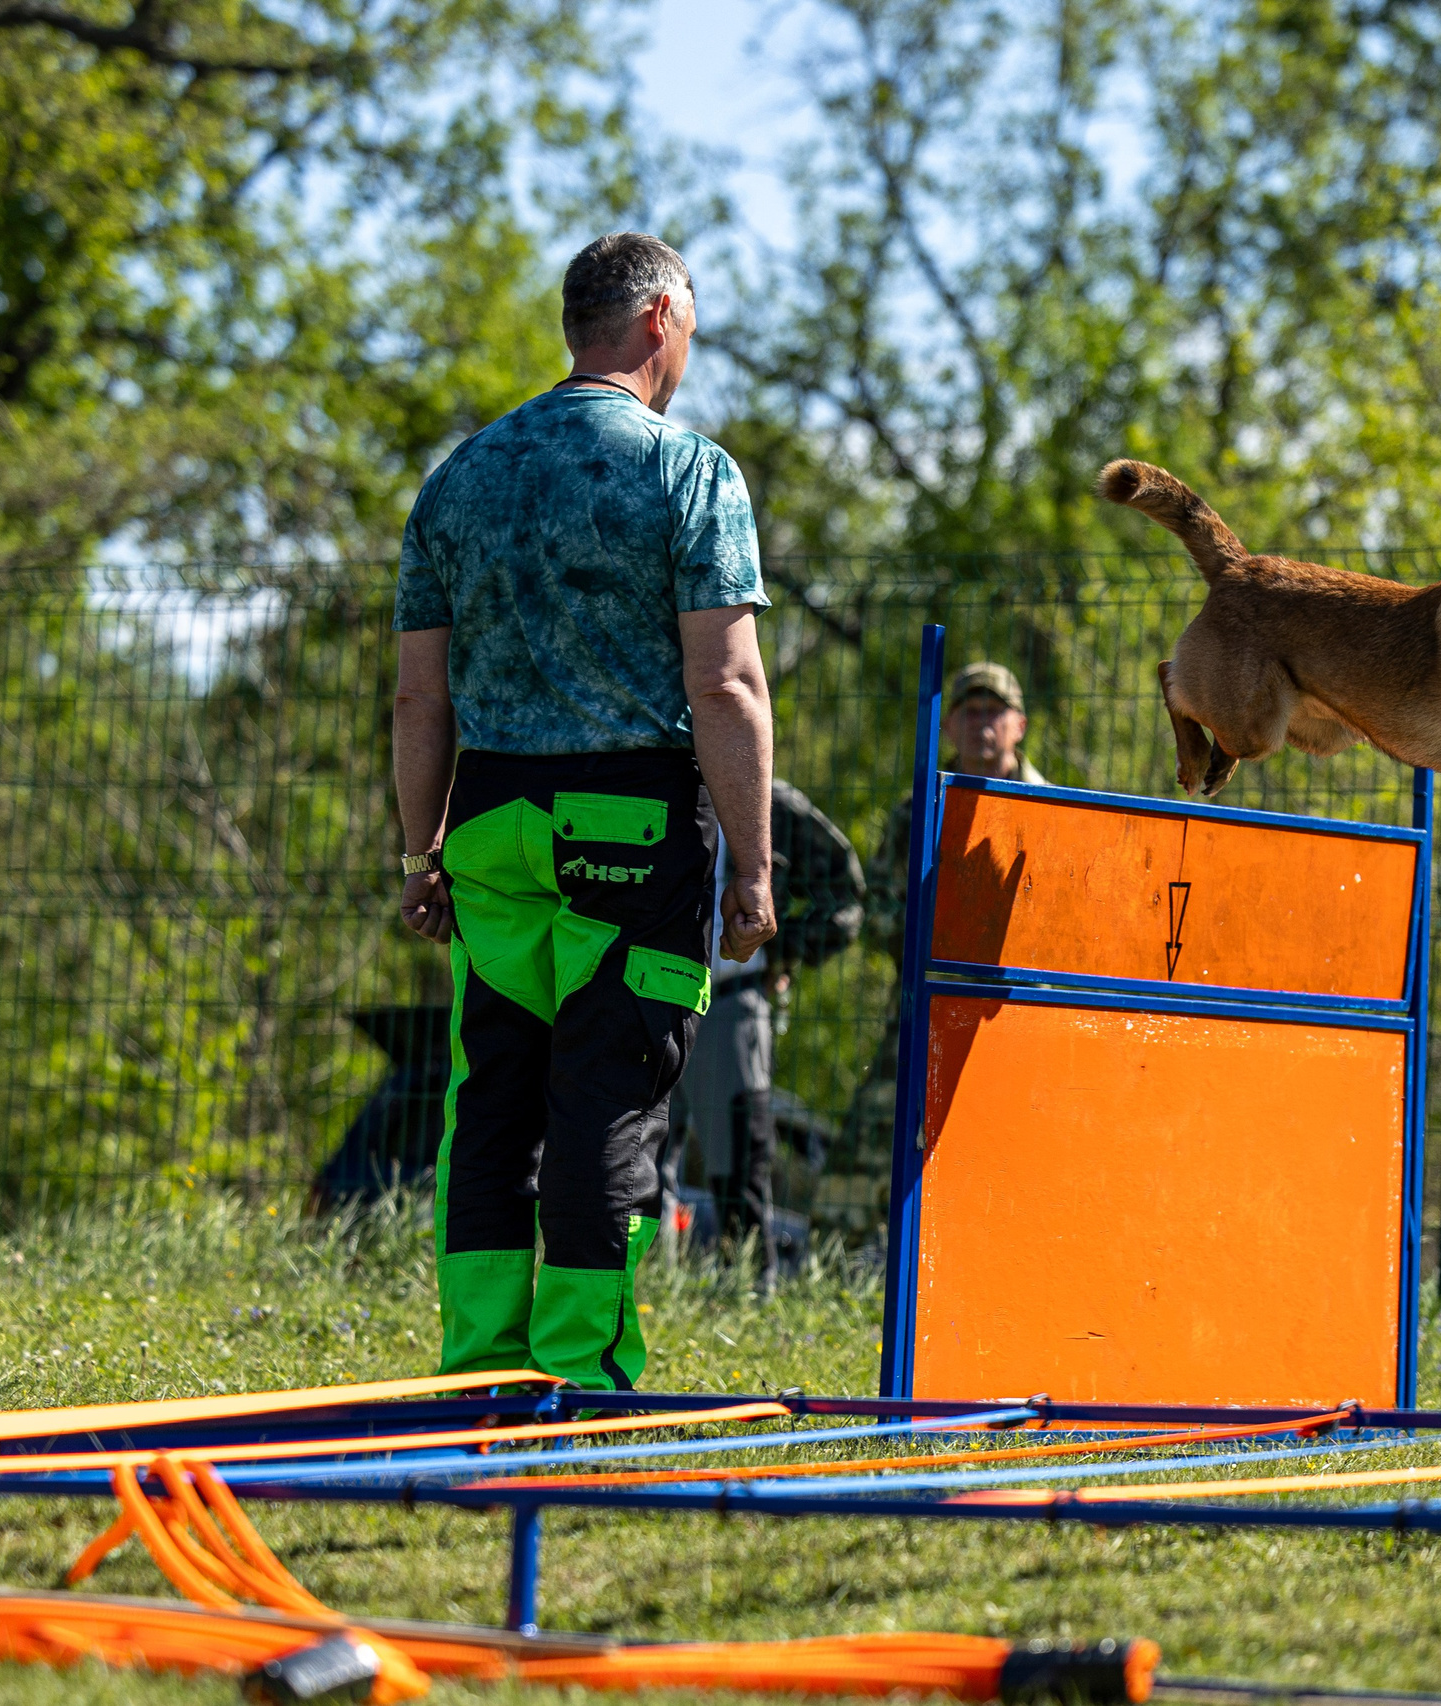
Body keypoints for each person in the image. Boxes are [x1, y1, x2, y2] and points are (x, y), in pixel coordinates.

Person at [391, 231, 776, 1391]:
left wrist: (421, 849)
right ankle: (581, 1374)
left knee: (493, 1093)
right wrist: (752, 869)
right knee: (609, 1093)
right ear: (660, 318)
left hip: (492, 819)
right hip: (631, 825)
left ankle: (479, 1367)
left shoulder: (462, 475)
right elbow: (724, 682)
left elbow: (420, 691)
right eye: (694, 322)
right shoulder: (688, 471)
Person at [838, 663, 1047, 1193]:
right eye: (969, 711)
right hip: (925, 1006)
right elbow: (880, 909)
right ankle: (854, 1259)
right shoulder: (920, 811)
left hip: (1017, 1014)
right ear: (948, 726)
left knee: (1017, 1149)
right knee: (877, 1145)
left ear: (1019, 724)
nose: (982, 724)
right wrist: (938, 945)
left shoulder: (1049, 811)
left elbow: (1060, 922)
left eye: (994, 712)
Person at [662, 778, 864, 1284]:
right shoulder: (645, 772)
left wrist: (784, 948)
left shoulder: (765, 798)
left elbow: (844, 891)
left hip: (729, 1001)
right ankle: (643, 1291)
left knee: (736, 1160)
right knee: (634, 1162)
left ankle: (748, 1291)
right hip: (641, 998)